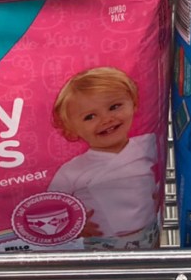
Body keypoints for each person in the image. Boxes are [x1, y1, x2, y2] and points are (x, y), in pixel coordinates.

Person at [49, 66, 161, 250]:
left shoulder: (147, 145)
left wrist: (156, 193)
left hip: (148, 236)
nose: (106, 119)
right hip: (102, 245)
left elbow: (154, 177)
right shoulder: (73, 170)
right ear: (71, 129)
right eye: (90, 117)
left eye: (114, 107)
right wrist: (73, 225)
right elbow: (52, 206)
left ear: (133, 104)